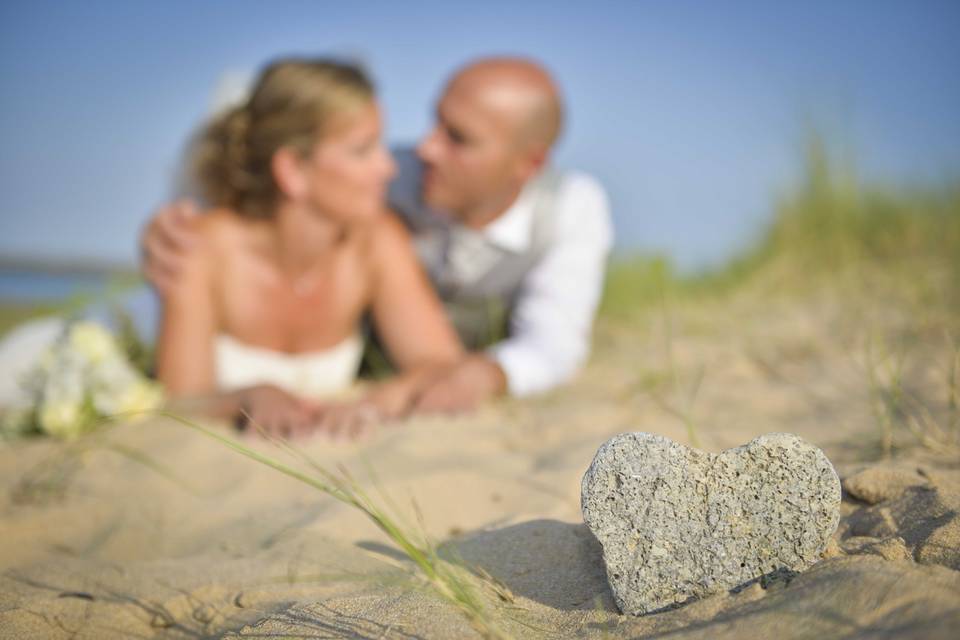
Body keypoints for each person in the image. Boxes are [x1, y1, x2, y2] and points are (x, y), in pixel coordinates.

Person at [143, 56, 613, 413]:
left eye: (458, 138)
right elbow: (257, 186)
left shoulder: (569, 209)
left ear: (528, 164)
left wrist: (421, 390)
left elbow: (547, 349)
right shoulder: (205, 245)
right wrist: (170, 227)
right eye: (364, 150)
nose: (410, 155)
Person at [156, 57, 463, 437]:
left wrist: (385, 396)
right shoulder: (204, 246)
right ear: (292, 171)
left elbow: (442, 365)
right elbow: (181, 400)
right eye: (362, 150)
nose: (388, 167)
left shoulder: (376, 240)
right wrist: (250, 395)